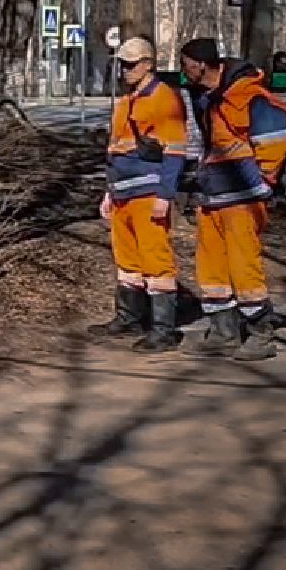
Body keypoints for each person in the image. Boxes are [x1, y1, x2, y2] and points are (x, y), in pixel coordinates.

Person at [178, 38, 286, 361]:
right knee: (211, 267)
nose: (182, 70)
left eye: (185, 64)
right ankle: (223, 331)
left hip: (243, 196)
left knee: (244, 265)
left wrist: (263, 181)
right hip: (214, 194)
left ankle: (261, 333)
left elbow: (277, 139)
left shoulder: (245, 93)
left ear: (201, 65)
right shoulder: (206, 97)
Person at [92, 37, 189, 354]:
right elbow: (115, 149)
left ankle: (164, 329)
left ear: (149, 64)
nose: (125, 69)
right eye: (123, 63)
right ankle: (129, 317)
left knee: (155, 259)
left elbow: (175, 151)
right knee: (128, 260)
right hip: (122, 192)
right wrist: (110, 192)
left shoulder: (164, 99)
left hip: (148, 192)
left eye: (132, 64)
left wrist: (165, 194)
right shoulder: (126, 101)